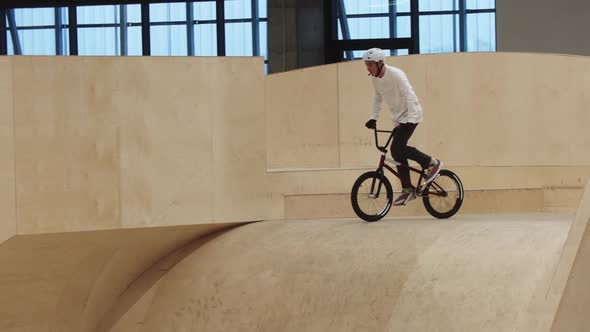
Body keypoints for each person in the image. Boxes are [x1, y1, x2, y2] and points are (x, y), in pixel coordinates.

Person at [363, 47, 443, 206]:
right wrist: (373, 118)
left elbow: (409, 95)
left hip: (411, 114)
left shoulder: (396, 74)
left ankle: (432, 163)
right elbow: (377, 98)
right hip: (398, 118)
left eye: (370, 64)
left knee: (397, 148)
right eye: (367, 64)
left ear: (380, 63)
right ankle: (408, 189)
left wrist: (411, 119)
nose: (368, 68)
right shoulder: (375, 78)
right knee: (397, 152)